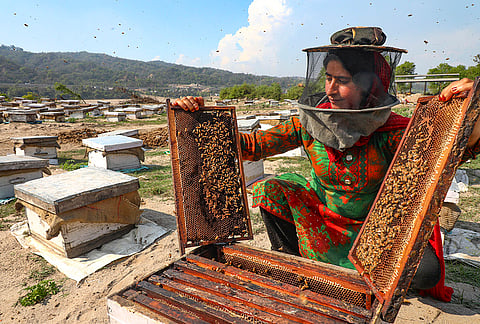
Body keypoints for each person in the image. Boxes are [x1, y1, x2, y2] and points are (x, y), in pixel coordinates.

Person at [173, 27, 480, 302]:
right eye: (328, 78)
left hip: (377, 228)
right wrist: (195, 117)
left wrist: (470, 106)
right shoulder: (309, 123)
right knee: (270, 189)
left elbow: (451, 149)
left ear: (370, 86)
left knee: (424, 272)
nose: (331, 89)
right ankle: (297, 267)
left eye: (342, 81)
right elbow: (251, 147)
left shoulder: (394, 130)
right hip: (321, 218)